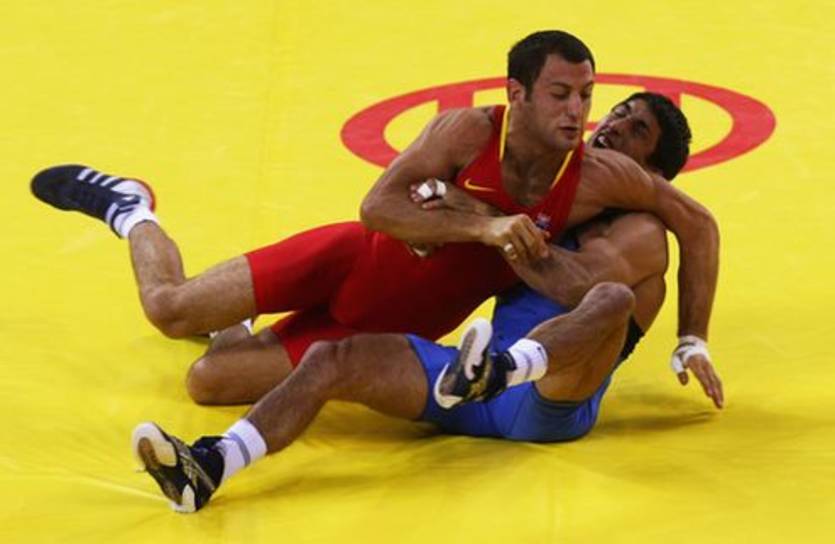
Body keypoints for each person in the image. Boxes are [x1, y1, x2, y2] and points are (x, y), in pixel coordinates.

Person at [30, 31, 717, 406]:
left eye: (589, 98)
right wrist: (479, 224)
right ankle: (131, 210)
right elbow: (376, 207)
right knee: (169, 308)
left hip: (388, 327)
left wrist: (690, 338)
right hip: (347, 257)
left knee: (208, 382)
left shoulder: (604, 192)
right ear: (519, 94)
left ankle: (231, 328)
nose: (586, 117)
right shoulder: (467, 131)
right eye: (567, 96)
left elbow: (695, 226)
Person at [129, 92, 723, 513]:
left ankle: (500, 369)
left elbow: (572, 283)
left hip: (549, 402)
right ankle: (211, 466)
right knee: (330, 360)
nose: (613, 124)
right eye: (618, 111)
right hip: (466, 388)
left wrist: (691, 339)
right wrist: (478, 220)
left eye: (636, 130)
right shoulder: (561, 193)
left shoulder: (641, 232)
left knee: (609, 299)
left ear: (653, 174)